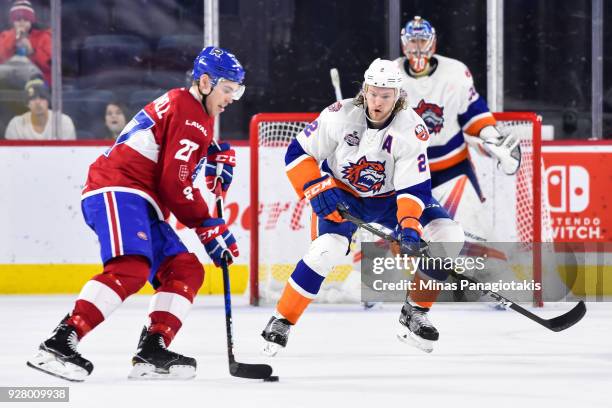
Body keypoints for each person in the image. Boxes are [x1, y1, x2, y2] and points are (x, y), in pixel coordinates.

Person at [27, 46, 244, 381]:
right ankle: (59, 342)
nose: (232, 98)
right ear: (204, 82)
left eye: (237, 91)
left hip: (141, 200)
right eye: (227, 89)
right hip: (119, 188)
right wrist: (207, 224)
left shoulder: (190, 112)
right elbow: (175, 183)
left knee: (184, 270)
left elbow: (173, 159)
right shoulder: (191, 113)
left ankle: (152, 350)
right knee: (130, 267)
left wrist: (210, 154)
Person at [260, 58, 464, 356]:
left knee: (449, 236)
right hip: (344, 196)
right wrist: (314, 186)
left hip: (394, 198)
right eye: (373, 92)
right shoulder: (338, 116)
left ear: (398, 96)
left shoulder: (413, 129)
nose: (378, 101)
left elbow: (414, 186)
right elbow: (298, 152)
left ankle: (415, 312)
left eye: (386, 95)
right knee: (325, 251)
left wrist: (409, 225)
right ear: (364, 90)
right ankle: (282, 320)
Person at [395, 16, 521, 245]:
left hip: (452, 170)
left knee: (477, 238)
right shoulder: (391, 75)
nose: (417, 48)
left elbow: (474, 114)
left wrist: (493, 139)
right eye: (412, 42)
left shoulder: (455, 73)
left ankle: (485, 278)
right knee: (402, 239)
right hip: (407, 172)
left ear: (432, 43)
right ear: (404, 44)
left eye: (422, 41)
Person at [4, 78, 76, 140]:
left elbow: (69, 153)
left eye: (42, 97)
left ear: (48, 100)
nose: (38, 102)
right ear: (27, 103)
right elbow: (11, 154)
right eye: (33, 98)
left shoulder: (63, 122)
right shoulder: (16, 124)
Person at [0, 0, 52, 84]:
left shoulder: (43, 37)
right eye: (18, 19)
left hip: (38, 82)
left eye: (26, 19)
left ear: (31, 21)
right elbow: (2, 59)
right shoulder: (4, 36)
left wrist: (32, 51)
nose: (22, 23)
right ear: (13, 22)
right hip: (11, 82)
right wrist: (14, 40)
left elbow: (50, 66)